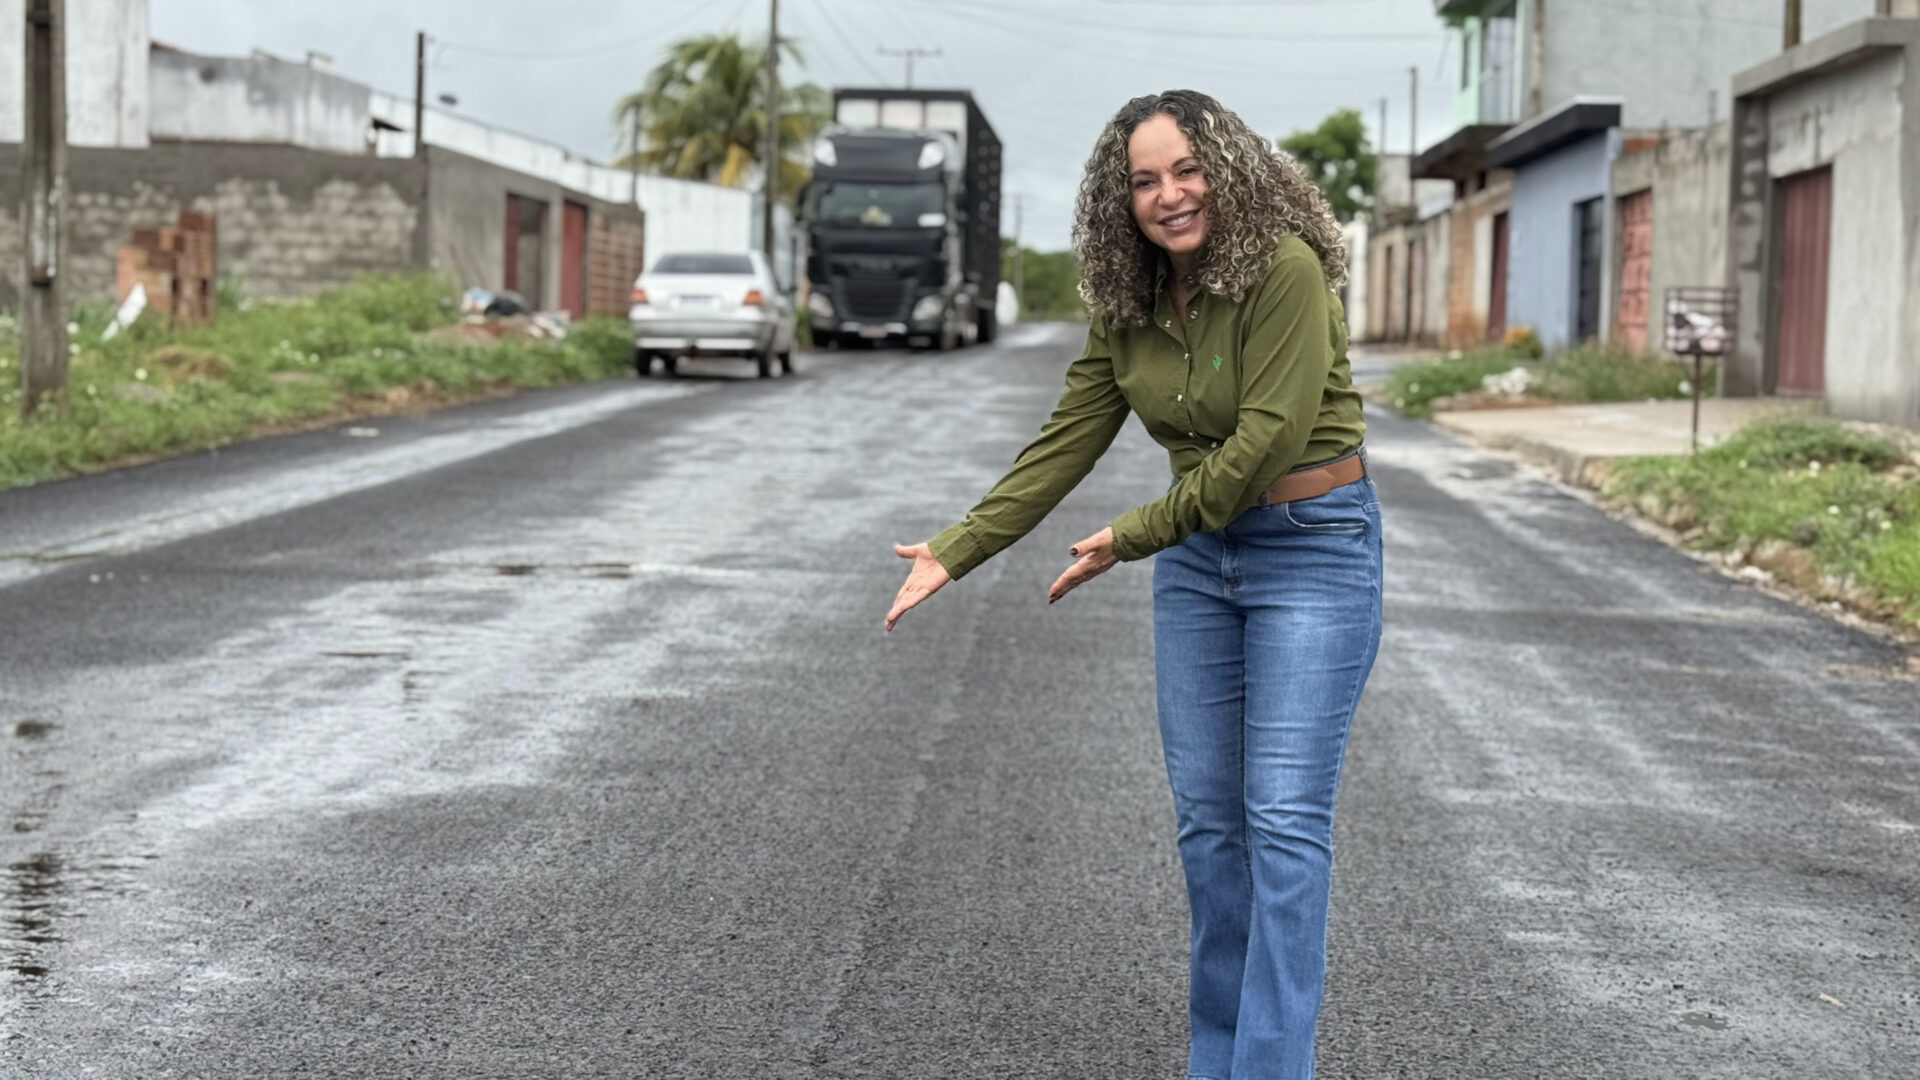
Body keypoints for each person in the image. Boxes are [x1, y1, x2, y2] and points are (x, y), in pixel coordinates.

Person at [885, 89, 1382, 1080]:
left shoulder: (1284, 270)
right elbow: (1068, 436)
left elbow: (1264, 442)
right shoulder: (1131, 301)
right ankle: (1216, 1060)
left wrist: (1137, 533)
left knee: (1283, 824)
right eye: (1145, 181)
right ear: (1120, 202)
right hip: (1203, 561)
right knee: (1210, 830)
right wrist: (960, 546)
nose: (1170, 195)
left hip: (1311, 547)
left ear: (1229, 172)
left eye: (1188, 170)